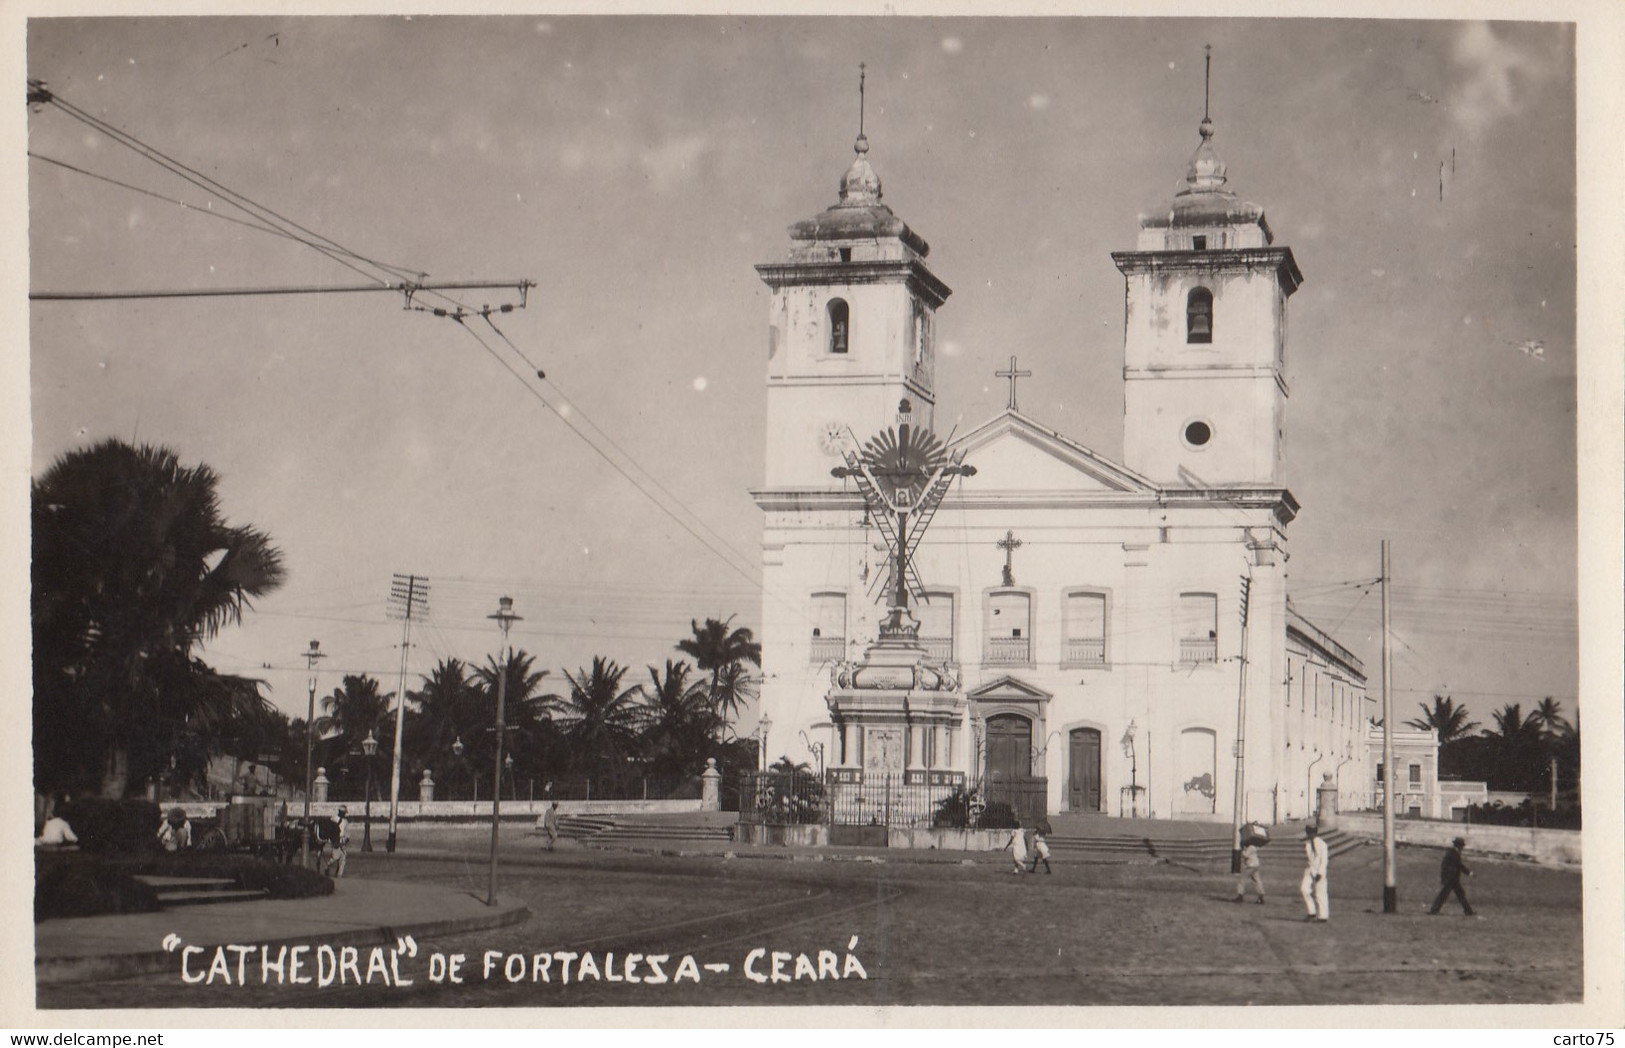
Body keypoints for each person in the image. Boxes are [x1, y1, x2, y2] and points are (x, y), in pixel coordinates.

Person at [1428, 836, 1477, 916]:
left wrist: (1469, 873)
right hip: (1451, 879)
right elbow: (1459, 866)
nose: (1462, 848)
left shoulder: (1452, 853)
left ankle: (1468, 911)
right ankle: (1468, 911)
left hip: (1452, 879)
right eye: (1461, 846)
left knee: (1456, 894)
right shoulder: (1453, 853)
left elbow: (1455, 866)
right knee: (1449, 895)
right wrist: (1469, 873)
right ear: (1459, 846)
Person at [1300, 823, 1329, 922]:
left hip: (1319, 870)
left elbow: (1324, 860)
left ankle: (1323, 916)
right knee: (1304, 889)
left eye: (1312, 833)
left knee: (1320, 893)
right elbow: (1310, 858)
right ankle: (1311, 912)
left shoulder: (1322, 844)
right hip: (1309, 869)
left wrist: (1320, 872)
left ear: (1315, 833)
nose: (1310, 835)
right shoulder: (1307, 844)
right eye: (1308, 833)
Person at [324, 806, 350, 878]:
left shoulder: (345, 822)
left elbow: (347, 831)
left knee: (343, 859)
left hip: (342, 840)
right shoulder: (333, 819)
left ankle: (339, 875)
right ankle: (327, 866)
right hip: (335, 839)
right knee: (335, 857)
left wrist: (347, 839)